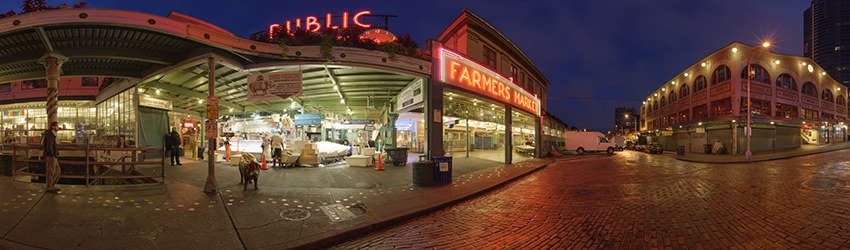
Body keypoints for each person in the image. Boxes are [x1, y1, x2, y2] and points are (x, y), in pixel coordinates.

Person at [43, 121, 61, 193]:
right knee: (51, 171)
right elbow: (49, 146)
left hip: (52, 156)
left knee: (57, 171)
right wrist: (53, 154)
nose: (58, 127)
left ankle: (52, 185)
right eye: (57, 126)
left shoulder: (51, 135)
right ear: (53, 127)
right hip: (51, 156)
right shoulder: (50, 135)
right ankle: (50, 187)